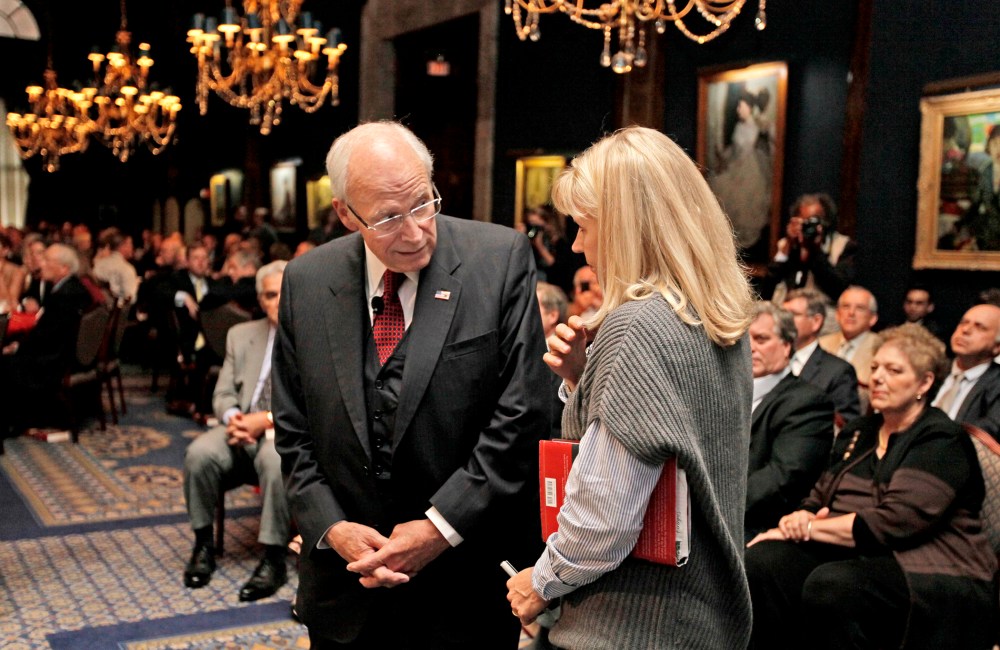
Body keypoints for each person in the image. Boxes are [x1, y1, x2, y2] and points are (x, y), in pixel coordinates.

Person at [271, 121, 549, 649]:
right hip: (346, 588)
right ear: (346, 214)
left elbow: (521, 416)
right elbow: (292, 428)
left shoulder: (499, 259)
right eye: (389, 218)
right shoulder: (306, 280)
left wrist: (437, 528)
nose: (416, 231)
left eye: (424, 203)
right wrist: (333, 530)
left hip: (461, 583)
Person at [506, 126, 755, 648]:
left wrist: (541, 582)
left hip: (633, 622)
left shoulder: (637, 325)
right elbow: (667, 444)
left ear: (625, 228)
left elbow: (604, 517)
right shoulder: (717, 315)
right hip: (699, 618)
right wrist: (584, 378)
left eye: (583, 227)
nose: (577, 246)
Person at [746, 323, 997, 649]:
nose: (877, 377)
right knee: (764, 563)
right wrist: (802, 515)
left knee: (834, 585)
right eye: (875, 367)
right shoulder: (860, 431)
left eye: (893, 370)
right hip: (855, 549)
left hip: (930, 564)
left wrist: (805, 528)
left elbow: (895, 522)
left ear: (924, 382)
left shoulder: (941, 439)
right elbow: (822, 491)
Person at [182, 261, 292, 601]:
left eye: (286, 293)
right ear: (260, 299)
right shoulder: (241, 335)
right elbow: (223, 393)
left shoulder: (313, 337)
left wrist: (268, 420)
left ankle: (274, 558)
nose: (279, 302)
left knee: (276, 462)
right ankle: (203, 545)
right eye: (272, 295)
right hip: (241, 427)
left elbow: (317, 405)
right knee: (198, 453)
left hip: (286, 431)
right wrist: (234, 419)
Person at [746, 302, 833, 540]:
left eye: (761, 339)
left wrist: (710, 505)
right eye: (743, 338)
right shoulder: (719, 391)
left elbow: (782, 478)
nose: (749, 347)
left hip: (758, 523)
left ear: (786, 346)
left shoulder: (808, 402)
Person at [709, 85, 775, 249]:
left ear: (750, 108)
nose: (738, 109)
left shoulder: (755, 128)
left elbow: (746, 151)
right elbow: (734, 150)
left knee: (745, 202)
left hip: (749, 168)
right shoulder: (739, 127)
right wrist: (723, 155)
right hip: (736, 166)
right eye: (738, 105)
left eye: (741, 106)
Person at [782, 288, 860, 422]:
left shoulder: (839, 371)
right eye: (782, 314)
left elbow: (846, 424)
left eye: (792, 314)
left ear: (816, 321)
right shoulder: (770, 361)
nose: (784, 321)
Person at [767, 192, 857, 304]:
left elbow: (839, 290)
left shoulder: (843, 246)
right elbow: (766, 289)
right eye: (805, 223)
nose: (809, 228)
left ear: (826, 222)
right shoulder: (788, 245)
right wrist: (786, 249)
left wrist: (815, 252)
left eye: (814, 222)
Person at [933, 303, 1000, 438]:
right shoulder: (933, 369)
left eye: (980, 327)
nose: (965, 330)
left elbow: (990, 431)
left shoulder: (997, 383)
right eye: (963, 323)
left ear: (997, 347)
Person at [819, 285, 881, 414]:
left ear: (873, 318)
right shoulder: (821, 344)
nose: (851, 313)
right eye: (846, 306)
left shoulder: (880, 349)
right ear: (837, 314)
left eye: (860, 308)